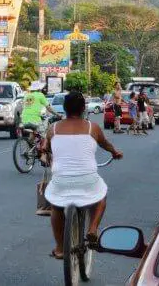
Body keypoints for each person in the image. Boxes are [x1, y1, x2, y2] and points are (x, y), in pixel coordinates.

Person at [42, 91, 123, 260]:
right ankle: (92, 229)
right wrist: (115, 152)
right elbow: (105, 144)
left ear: (64, 108)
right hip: (87, 180)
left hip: (61, 182)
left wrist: (46, 153)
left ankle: (59, 248)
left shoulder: (53, 128)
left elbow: (45, 148)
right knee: (101, 196)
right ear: (83, 108)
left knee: (56, 207)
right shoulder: (92, 127)